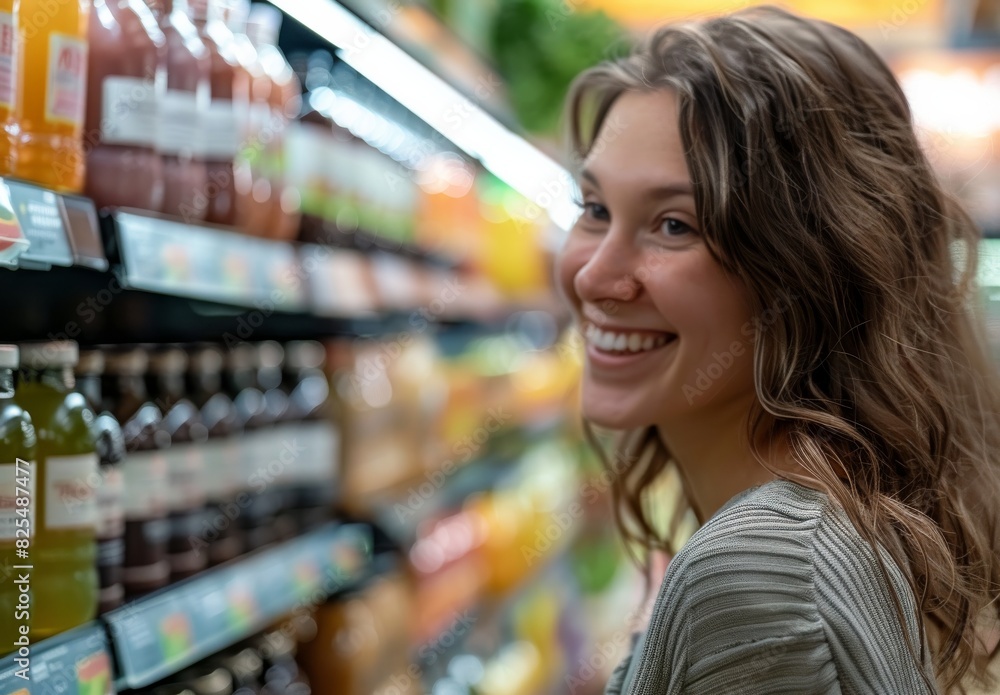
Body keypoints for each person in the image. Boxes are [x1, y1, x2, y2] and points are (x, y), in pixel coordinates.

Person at [556, 5, 1000, 694]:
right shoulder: (836, 511)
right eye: (594, 209)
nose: (591, 276)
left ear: (808, 267)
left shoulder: (763, 572)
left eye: (674, 225)